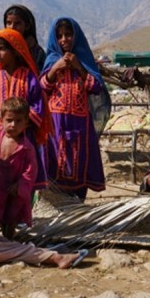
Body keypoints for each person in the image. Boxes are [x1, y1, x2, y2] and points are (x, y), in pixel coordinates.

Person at [0, 28, 51, 188]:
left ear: (15, 51)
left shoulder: (28, 77)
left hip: (23, 135)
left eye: (1, 49)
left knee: (20, 182)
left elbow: (37, 106)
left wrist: (17, 122)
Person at [41, 17, 106, 201]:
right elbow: (42, 88)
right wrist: (55, 69)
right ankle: (56, 204)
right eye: (59, 36)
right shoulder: (52, 60)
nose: (64, 39)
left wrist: (79, 67)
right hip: (55, 122)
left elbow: (96, 87)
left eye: (68, 35)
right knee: (54, 161)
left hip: (80, 123)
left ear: (76, 36)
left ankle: (78, 204)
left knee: (80, 164)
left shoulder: (84, 59)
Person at [0, 97, 38, 239]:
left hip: (13, 192)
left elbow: (31, 171)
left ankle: (9, 241)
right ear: (1, 121)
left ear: (26, 123)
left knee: (10, 218)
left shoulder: (26, 148)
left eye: (18, 121)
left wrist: (20, 185)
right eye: (9, 120)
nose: (13, 125)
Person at [3, 4, 47, 71]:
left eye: (17, 23)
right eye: (8, 23)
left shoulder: (37, 53)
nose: (12, 27)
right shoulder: (2, 47)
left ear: (27, 26)